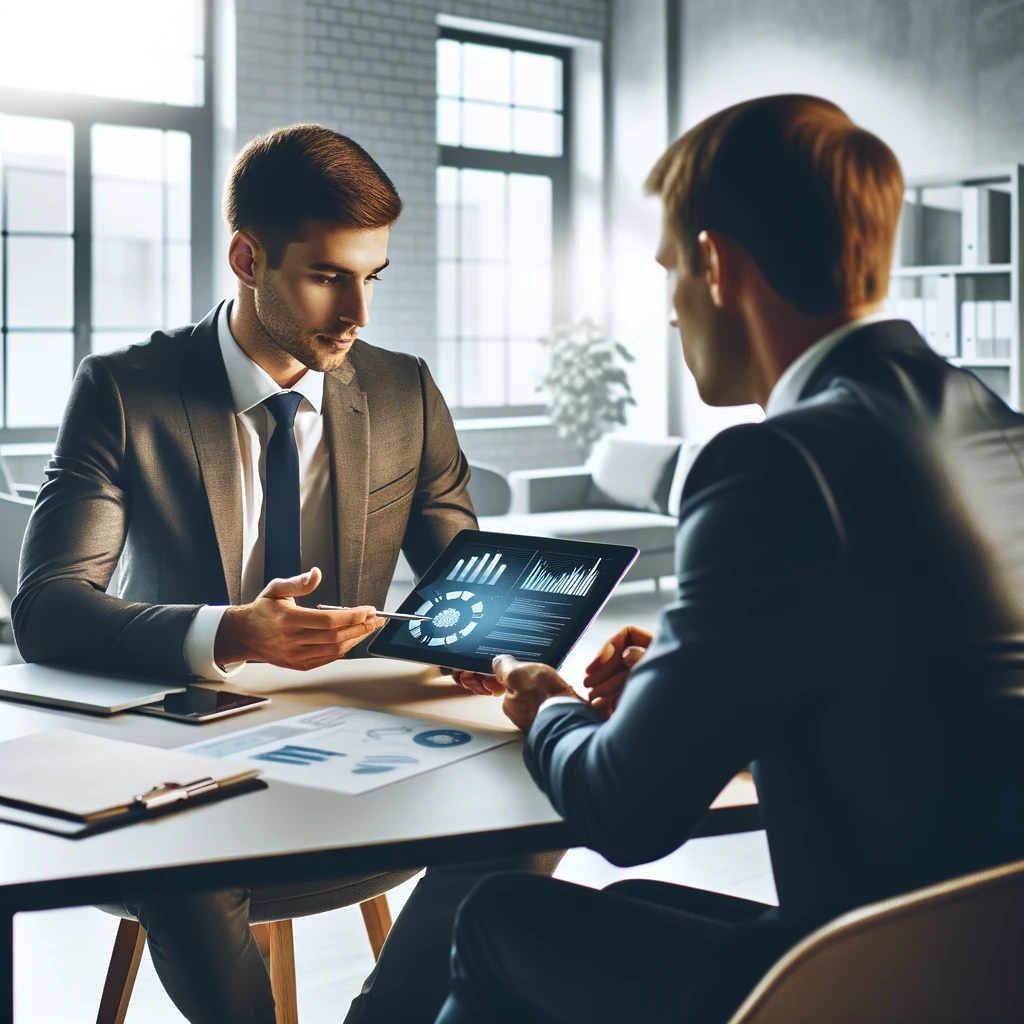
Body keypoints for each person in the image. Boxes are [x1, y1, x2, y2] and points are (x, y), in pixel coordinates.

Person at [437, 93, 1024, 1024]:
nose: (670, 313)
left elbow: (625, 815)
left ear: (714, 264)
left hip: (871, 983)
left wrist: (545, 703)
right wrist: (686, 689)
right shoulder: (998, 431)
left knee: (498, 918)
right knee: (622, 918)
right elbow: (915, 707)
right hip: (986, 967)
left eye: (670, 270)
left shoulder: (771, 464)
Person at [13, 124, 560, 1024]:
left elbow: (462, 577)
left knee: (551, 788)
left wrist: (515, 640)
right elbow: (49, 610)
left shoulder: (403, 390)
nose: (359, 312)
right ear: (247, 256)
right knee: (177, 862)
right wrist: (227, 632)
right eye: (327, 275)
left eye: (370, 276)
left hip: (365, 753)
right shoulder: (124, 390)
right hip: (183, 768)